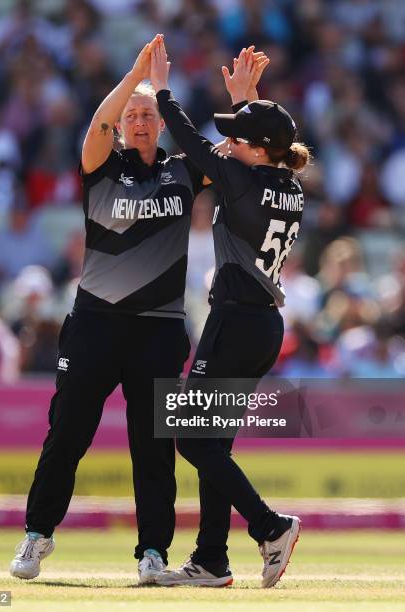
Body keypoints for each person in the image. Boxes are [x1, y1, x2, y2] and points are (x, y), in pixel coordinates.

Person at [9, 35, 208, 584]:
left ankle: (152, 554)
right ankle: (37, 536)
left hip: (159, 329)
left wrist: (178, 94)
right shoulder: (100, 165)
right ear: (122, 122)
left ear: (162, 123)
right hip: (96, 323)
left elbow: (229, 158)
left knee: (153, 446)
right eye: (133, 115)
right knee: (67, 432)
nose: (140, 122)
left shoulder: (184, 171)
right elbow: (99, 125)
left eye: (149, 114)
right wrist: (133, 79)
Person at [149, 35, 310, 588]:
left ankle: (269, 526)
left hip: (237, 320)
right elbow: (246, 151)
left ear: (258, 148)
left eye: (238, 136)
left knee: (192, 440)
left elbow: (195, 147)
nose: (229, 141)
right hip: (260, 322)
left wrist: (164, 92)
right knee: (213, 443)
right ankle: (211, 561)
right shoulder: (284, 180)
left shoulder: (245, 179)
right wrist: (246, 104)